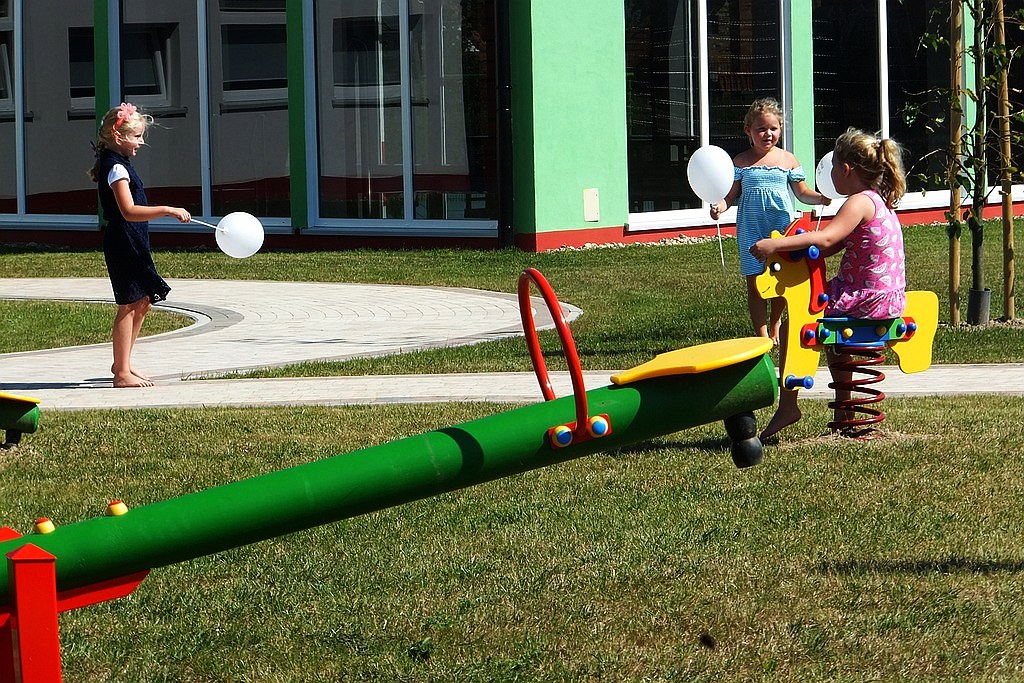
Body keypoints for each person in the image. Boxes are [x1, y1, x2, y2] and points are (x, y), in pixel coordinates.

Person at [749, 128, 908, 439]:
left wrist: (774, 246)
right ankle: (844, 406)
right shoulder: (877, 199)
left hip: (866, 297)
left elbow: (825, 237)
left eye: (833, 166)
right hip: (886, 295)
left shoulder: (857, 202)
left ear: (846, 170)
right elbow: (831, 246)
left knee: (799, 319)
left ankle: (789, 405)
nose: (830, 173)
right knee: (831, 327)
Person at [710, 98, 831, 343]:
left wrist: (821, 197)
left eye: (773, 129)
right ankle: (761, 334)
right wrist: (719, 208)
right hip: (751, 230)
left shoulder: (787, 160)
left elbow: (802, 192)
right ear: (748, 131)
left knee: (780, 279)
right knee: (755, 284)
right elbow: (730, 195)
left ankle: (775, 322)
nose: (768, 134)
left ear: (780, 130)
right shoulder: (741, 162)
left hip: (781, 230)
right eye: (761, 129)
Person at [88, 102, 191, 388]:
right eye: (137, 136)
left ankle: (123, 362)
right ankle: (121, 373)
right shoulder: (116, 168)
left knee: (143, 301)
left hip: (133, 239)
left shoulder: (120, 163)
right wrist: (168, 210)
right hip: (123, 240)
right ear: (118, 136)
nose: (141, 142)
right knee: (129, 303)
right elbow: (128, 211)